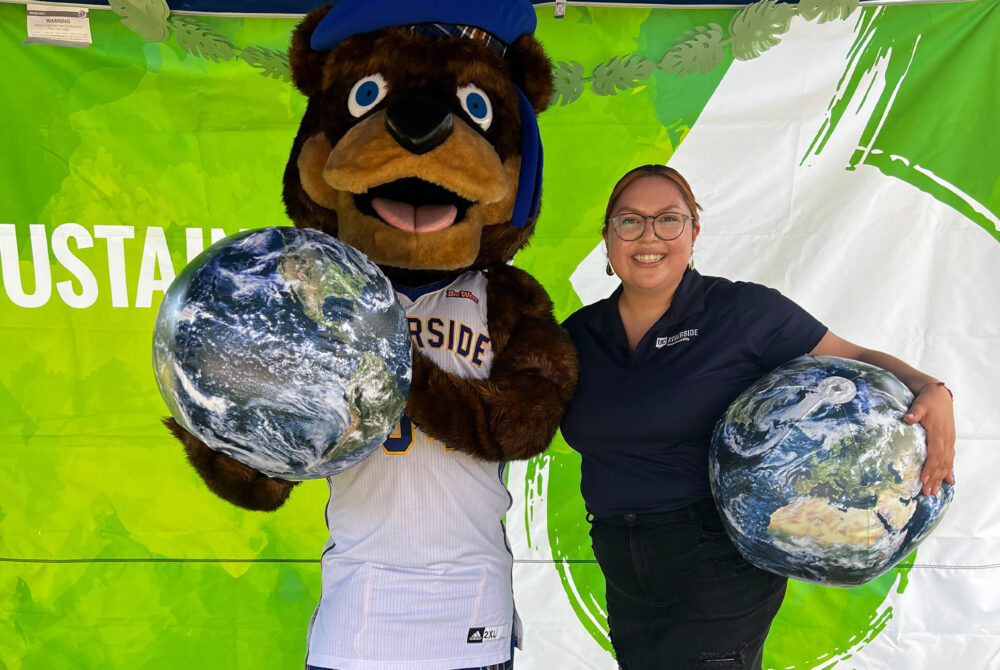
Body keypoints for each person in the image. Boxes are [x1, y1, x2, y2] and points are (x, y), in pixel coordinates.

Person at [559, 164, 956, 670]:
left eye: (669, 220)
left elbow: (850, 357)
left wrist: (931, 389)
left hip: (716, 563)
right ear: (609, 238)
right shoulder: (577, 336)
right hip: (621, 561)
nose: (649, 236)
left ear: (694, 232)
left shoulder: (742, 312)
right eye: (630, 221)